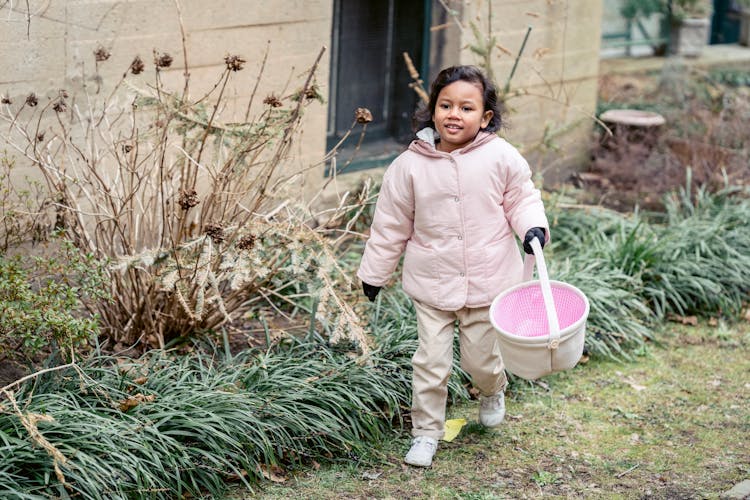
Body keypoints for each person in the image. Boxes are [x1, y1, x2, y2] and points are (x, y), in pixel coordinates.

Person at [357, 65, 549, 467]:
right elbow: (390, 224)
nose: (454, 115)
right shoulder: (409, 166)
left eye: (466, 107)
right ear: (432, 110)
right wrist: (375, 273)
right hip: (433, 285)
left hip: (488, 281)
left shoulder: (501, 157)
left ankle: (492, 389)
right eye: (445, 105)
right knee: (430, 362)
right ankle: (426, 433)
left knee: (481, 361)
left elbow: (522, 198)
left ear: (485, 117)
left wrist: (532, 227)